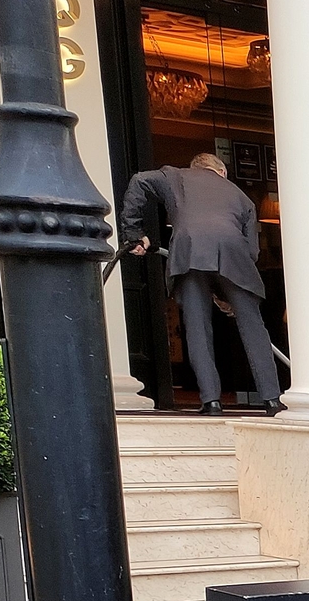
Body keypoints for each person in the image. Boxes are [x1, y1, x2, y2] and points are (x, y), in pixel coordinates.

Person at [119, 152, 283, 414]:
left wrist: (134, 233)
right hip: (234, 255)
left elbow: (139, 180)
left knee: (197, 327)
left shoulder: (174, 175)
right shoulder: (241, 196)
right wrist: (229, 292)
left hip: (189, 250)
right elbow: (252, 252)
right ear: (222, 172)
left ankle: (211, 401)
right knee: (253, 326)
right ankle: (272, 399)